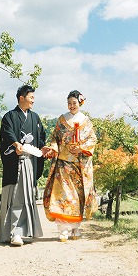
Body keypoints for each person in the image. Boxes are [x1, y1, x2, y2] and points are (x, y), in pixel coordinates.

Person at [0, 85, 52, 246]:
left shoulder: (35, 118)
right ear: (21, 98)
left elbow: (40, 137)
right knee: (15, 196)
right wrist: (16, 144)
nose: (33, 100)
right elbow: (8, 133)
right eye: (31, 97)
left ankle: (25, 231)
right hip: (15, 163)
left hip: (30, 162)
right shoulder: (9, 116)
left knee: (27, 196)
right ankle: (14, 232)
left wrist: (43, 147)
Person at [43, 89, 98, 241]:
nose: (71, 106)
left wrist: (81, 148)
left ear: (80, 103)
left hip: (79, 165)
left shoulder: (86, 121)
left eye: (74, 103)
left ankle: (75, 229)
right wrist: (54, 147)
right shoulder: (62, 120)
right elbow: (54, 137)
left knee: (78, 197)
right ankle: (63, 230)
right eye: (69, 103)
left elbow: (92, 139)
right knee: (63, 196)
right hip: (63, 163)